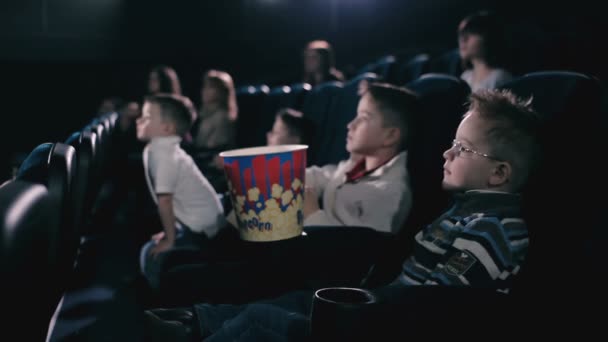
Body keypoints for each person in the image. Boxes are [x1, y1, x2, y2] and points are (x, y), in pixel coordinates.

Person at [142, 88, 541, 341]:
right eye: (452, 143)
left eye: (462, 149)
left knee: (274, 322)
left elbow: (440, 305)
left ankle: (194, 330)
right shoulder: (460, 215)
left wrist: (370, 299)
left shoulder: (493, 231)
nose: (446, 153)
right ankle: (194, 320)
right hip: (380, 304)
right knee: (290, 302)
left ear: (499, 172)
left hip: (388, 319)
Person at [136, 93, 226, 289]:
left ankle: (158, 303)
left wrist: (170, 238)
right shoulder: (158, 149)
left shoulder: (166, 156)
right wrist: (173, 230)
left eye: (147, 116)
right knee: (147, 250)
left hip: (204, 230)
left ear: (167, 128)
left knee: (151, 254)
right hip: (193, 223)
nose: (139, 120)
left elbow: (166, 201)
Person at [303, 83, 417, 233]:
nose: (350, 125)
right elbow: (323, 176)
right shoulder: (357, 165)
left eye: (363, 118)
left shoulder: (390, 192)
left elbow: (359, 249)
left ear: (390, 136)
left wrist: (313, 215)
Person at [458, 11, 513, 92]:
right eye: (461, 34)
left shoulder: (500, 78)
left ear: (489, 37)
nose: (463, 39)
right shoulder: (465, 77)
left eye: (472, 32)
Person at [192, 70, 238, 151]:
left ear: (222, 91)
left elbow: (213, 148)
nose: (205, 91)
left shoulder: (222, 117)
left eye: (211, 87)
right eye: (205, 86)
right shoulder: (203, 115)